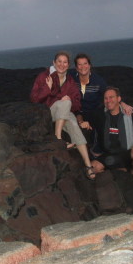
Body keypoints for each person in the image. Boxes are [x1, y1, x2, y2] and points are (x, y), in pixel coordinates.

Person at [30, 51, 95, 180]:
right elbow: (34, 99)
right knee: (65, 103)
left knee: (74, 124)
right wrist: (47, 89)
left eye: (65, 62)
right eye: (59, 61)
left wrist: (69, 98)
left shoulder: (70, 80)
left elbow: (76, 104)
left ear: (68, 65)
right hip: (47, 112)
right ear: (54, 62)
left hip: (63, 113)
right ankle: (58, 138)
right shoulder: (44, 76)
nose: (62, 64)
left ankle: (88, 165)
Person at [90, 87, 133, 181]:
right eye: (106, 98)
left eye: (111, 97)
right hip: (109, 153)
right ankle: (118, 170)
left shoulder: (129, 112)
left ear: (119, 99)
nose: (108, 101)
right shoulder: (101, 114)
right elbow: (87, 117)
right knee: (91, 169)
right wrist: (82, 122)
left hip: (128, 152)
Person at [70, 53, 133, 138]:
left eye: (85, 63)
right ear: (76, 68)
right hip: (77, 112)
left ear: (89, 65)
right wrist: (79, 118)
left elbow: (108, 93)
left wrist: (122, 104)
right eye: (79, 64)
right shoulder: (72, 80)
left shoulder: (98, 80)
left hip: (94, 111)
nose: (83, 67)